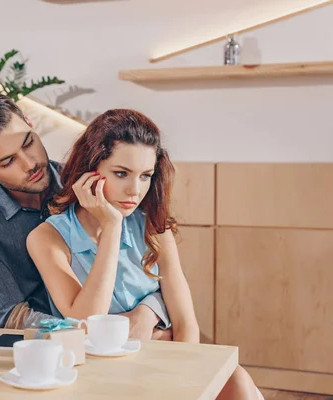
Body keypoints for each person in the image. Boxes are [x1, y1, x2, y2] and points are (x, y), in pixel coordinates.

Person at [26, 108, 263, 399]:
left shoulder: (152, 227)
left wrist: (183, 378)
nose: (134, 191)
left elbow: (186, 323)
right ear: (90, 171)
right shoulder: (47, 238)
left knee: (237, 379)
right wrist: (111, 226)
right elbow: (85, 322)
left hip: (163, 357)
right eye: (121, 174)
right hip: (97, 370)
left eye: (145, 176)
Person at [0, 91, 170, 336]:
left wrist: (147, 312)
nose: (29, 164)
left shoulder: (90, 184)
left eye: (28, 143)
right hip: (28, 348)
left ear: (29, 123)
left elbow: (146, 276)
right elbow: (9, 317)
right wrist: (110, 329)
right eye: (8, 162)